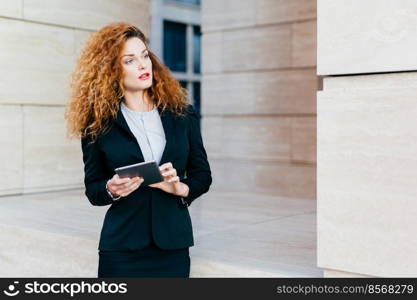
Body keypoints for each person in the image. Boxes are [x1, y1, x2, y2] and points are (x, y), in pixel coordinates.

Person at [64, 22, 212, 278]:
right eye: (130, 60)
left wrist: (180, 189)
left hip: (172, 245)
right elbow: (93, 189)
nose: (143, 65)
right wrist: (111, 188)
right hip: (121, 248)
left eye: (144, 55)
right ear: (111, 70)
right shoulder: (96, 125)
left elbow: (202, 175)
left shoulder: (182, 114)